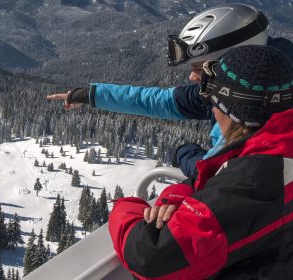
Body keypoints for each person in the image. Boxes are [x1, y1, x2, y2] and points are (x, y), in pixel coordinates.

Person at [109, 45, 293, 278]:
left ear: (230, 110)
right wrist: (182, 192)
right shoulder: (275, 154)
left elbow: (150, 257)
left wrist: (125, 206)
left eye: (214, 103)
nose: (213, 112)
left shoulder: (252, 181)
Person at [48, 3, 275, 179]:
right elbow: (159, 101)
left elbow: (215, 174)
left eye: (199, 68)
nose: (192, 77)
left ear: (232, 65)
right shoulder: (234, 93)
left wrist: (185, 154)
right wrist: (91, 95)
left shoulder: (263, 124)